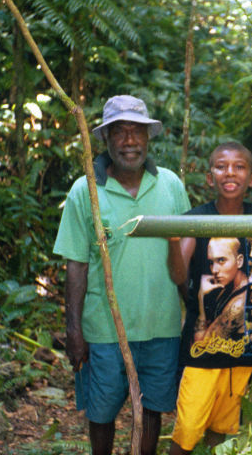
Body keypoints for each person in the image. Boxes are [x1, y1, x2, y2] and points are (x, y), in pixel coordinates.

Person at [53, 95, 191, 455]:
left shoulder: (171, 185)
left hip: (161, 325)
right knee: (101, 411)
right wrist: (74, 329)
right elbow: (76, 264)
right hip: (105, 330)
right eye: (120, 132)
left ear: (148, 138)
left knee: (153, 409)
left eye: (137, 131)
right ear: (106, 139)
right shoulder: (86, 191)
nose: (130, 141)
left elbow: (187, 256)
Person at [166, 142, 252, 454]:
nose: (229, 172)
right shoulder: (195, 218)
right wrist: (173, 240)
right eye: (221, 166)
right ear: (209, 177)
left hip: (243, 347)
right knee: (187, 430)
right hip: (201, 349)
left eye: (239, 166)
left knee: (222, 430)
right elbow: (179, 277)